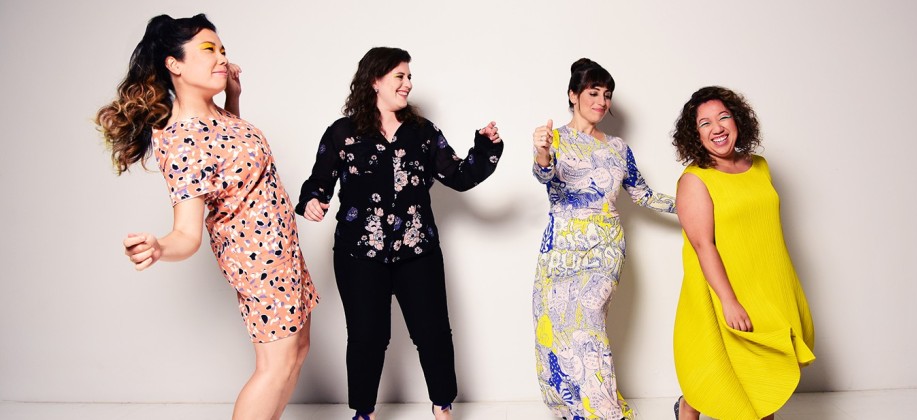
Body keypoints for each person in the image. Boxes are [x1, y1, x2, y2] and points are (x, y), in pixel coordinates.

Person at [95, 14, 319, 420]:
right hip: (259, 264)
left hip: (285, 251)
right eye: (208, 50)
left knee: (297, 352)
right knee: (275, 366)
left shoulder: (218, 116)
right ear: (174, 64)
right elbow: (187, 234)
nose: (221, 58)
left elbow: (233, 164)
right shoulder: (183, 139)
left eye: (223, 50)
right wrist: (160, 245)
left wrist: (233, 98)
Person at [295, 46, 503, 420]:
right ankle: (363, 412)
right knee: (366, 337)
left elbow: (459, 175)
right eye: (400, 76)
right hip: (359, 254)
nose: (408, 84)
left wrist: (485, 146)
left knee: (433, 333)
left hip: (417, 251)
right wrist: (313, 200)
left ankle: (443, 406)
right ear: (375, 81)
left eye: (409, 77)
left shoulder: (422, 134)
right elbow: (319, 181)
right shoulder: (342, 133)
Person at [530, 58, 676, 420]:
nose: (601, 101)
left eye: (607, 95)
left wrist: (693, 206)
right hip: (560, 248)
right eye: (593, 92)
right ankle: (573, 411)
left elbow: (642, 194)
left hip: (604, 247)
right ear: (573, 95)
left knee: (588, 323)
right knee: (557, 331)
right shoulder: (554, 138)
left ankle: (606, 412)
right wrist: (542, 151)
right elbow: (545, 177)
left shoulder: (618, 148)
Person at [670, 86, 815, 420]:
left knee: (767, 365)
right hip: (724, 284)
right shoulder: (695, 180)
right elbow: (703, 244)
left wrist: (787, 286)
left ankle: (687, 405)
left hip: (768, 281)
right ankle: (689, 407)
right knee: (723, 362)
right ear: (695, 134)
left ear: (737, 120)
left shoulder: (760, 166)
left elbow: (764, 228)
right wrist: (728, 300)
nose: (717, 128)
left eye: (723, 117)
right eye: (704, 123)